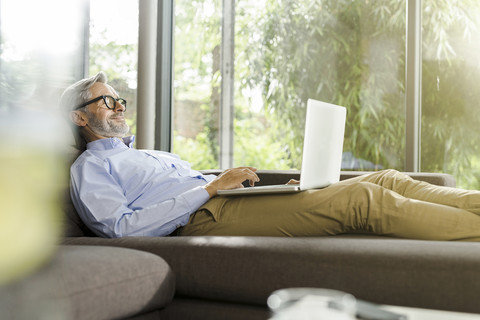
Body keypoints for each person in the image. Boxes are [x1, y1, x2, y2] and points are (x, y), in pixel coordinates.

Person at [61, 72, 480, 241]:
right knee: (363, 200)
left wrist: (278, 193)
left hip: (222, 204)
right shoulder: (91, 168)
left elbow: (195, 187)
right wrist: (209, 188)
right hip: (201, 221)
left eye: (120, 99)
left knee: (386, 178)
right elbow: (120, 229)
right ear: (80, 116)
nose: (119, 106)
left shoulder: (151, 155)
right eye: (106, 100)